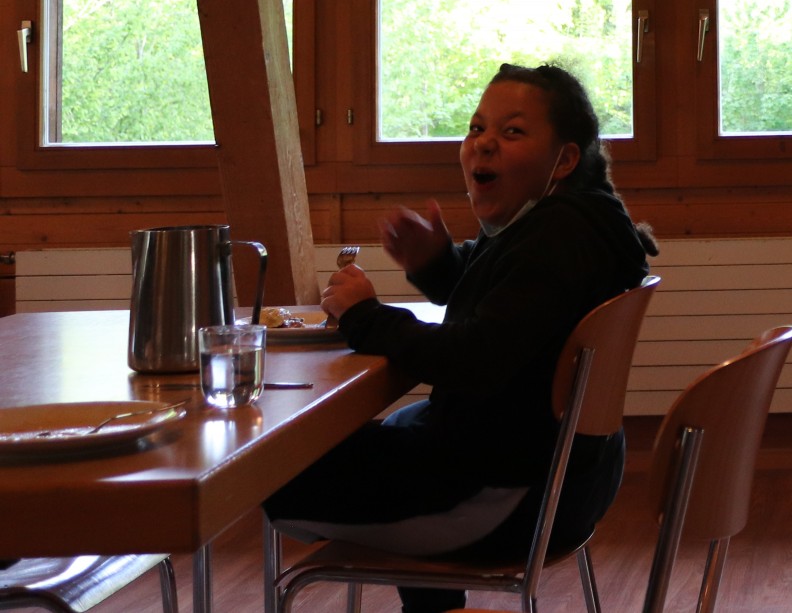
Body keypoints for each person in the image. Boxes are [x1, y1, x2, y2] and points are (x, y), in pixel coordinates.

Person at [264, 63, 657, 613]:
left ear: (564, 160)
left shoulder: (558, 238)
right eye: (477, 128)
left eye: (512, 131)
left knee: (274, 471)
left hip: (506, 497)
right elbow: (511, 307)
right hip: (567, 479)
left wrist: (364, 317)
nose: (484, 143)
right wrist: (438, 263)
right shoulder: (577, 223)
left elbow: (476, 357)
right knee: (389, 431)